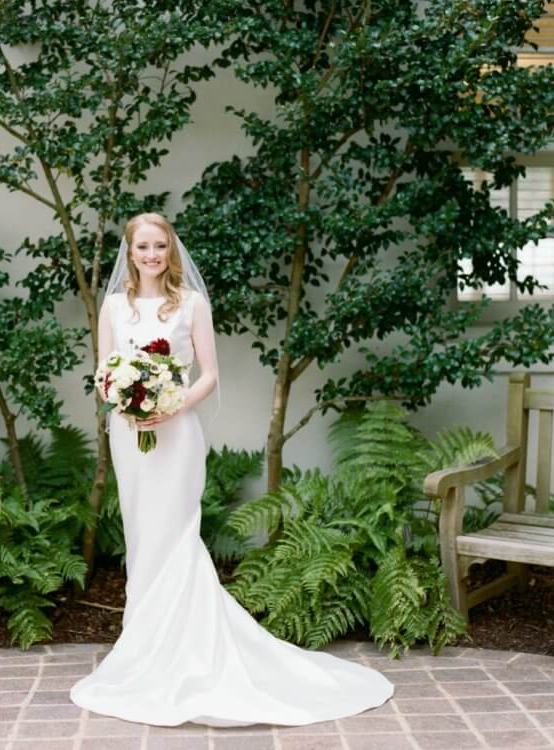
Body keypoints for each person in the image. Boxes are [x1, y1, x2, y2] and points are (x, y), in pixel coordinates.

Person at [68, 212, 395, 727]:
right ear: (129, 252)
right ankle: (143, 649)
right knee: (142, 539)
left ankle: (189, 655)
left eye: (160, 246)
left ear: (171, 250)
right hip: (130, 435)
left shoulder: (191, 304)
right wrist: (125, 401)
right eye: (142, 247)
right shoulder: (112, 306)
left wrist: (169, 405)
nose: (151, 255)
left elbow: (210, 374)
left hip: (176, 434)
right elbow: (103, 373)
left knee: (175, 537)